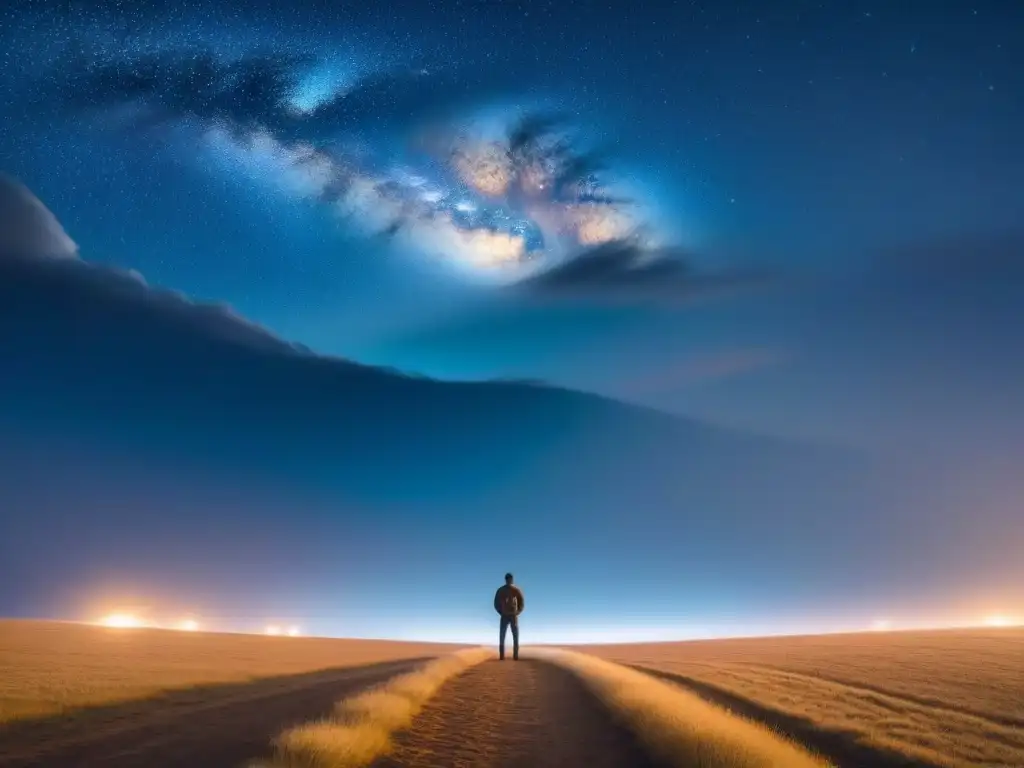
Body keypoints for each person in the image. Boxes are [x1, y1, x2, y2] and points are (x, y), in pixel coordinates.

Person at [493, 572, 524, 660]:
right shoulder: (500, 590)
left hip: (513, 616)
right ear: (505, 580)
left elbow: (521, 602)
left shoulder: (516, 590)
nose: (509, 581)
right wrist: (500, 612)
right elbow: (496, 603)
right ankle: (502, 656)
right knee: (502, 636)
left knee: (515, 635)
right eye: (507, 579)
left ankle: (516, 656)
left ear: (512, 580)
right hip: (504, 616)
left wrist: (518, 612)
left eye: (510, 579)